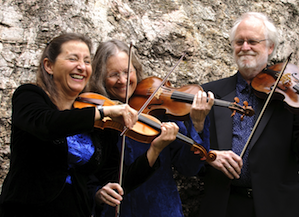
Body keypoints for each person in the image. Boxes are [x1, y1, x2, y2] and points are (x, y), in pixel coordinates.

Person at [0, 33, 179, 217]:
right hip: (26, 210)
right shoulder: (30, 96)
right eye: (73, 59)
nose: (81, 67)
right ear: (49, 65)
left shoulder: (96, 118)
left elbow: (117, 179)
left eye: (87, 61)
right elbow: (47, 124)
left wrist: (155, 149)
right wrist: (103, 112)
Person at [86, 39, 214, 217]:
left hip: (161, 210)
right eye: (113, 74)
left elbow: (189, 168)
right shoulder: (95, 117)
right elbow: (80, 174)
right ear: (100, 78)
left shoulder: (157, 111)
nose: (122, 80)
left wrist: (198, 126)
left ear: (136, 72)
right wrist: (97, 193)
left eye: (127, 72)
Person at [199, 12, 299, 217]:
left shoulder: (288, 96)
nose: (245, 47)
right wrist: (209, 156)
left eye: (253, 41)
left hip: (277, 207)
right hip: (224, 207)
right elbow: (186, 153)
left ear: (270, 47)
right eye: (239, 41)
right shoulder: (210, 92)